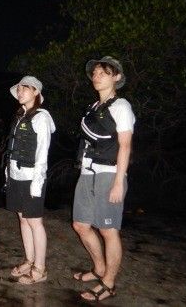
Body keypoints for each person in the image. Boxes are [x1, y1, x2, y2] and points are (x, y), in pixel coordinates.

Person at [72, 56, 135, 301]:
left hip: (109, 173)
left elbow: (125, 145)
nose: (97, 76)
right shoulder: (93, 107)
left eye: (104, 72)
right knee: (80, 225)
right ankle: (99, 268)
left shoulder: (121, 106)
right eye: (95, 73)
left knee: (108, 229)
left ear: (116, 77)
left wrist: (119, 181)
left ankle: (108, 283)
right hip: (88, 171)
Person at [6, 76, 56, 284]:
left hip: (32, 177)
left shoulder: (41, 117)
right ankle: (29, 259)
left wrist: (38, 182)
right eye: (18, 89)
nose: (20, 92)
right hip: (16, 175)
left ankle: (40, 268)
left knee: (35, 222)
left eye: (24, 88)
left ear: (36, 92)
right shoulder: (20, 116)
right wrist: (8, 174)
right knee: (23, 218)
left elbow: (42, 152)